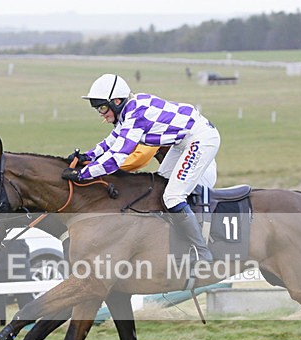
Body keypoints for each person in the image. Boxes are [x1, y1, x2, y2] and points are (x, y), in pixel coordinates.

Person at [62, 73, 220, 262]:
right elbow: (111, 141)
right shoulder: (128, 111)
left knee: (172, 197)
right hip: (183, 142)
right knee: (161, 185)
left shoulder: (136, 115)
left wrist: (83, 174)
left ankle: (202, 252)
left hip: (200, 139)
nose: (102, 114)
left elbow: (116, 159)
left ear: (117, 101)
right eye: (98, 109)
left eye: (103, 107)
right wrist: (87, 156)